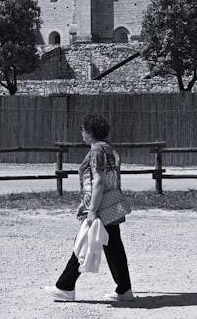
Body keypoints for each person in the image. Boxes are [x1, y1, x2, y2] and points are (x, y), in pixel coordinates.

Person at [43, 113, 134, 302]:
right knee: (113, 246)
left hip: (100, 205)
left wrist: (91, 210)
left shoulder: (96, 151)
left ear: (89, 132)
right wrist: (83, 204)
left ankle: (65, 287)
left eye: (82, 130)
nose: (81, 133)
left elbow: (99, 181)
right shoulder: (110, 149)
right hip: (110, 204)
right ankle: (124, 290)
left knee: (84, 240)